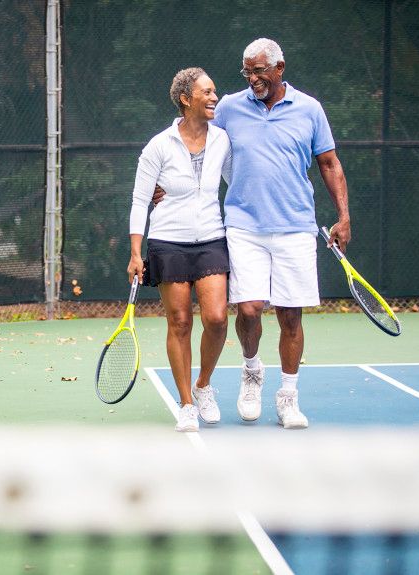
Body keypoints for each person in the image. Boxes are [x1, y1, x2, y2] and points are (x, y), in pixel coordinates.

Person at [154, 38, 351, 429]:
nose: (252, 78)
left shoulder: (310, 110)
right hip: (243, 226)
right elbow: (191, 132)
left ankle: (288, 397)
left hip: (296, 226)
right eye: (247, 70)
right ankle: (251, 371)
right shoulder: (228, 106)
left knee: (291, 317)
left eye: (259, 70)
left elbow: (329, 163)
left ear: (280, 69)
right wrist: (164, 177)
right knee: (247, 309)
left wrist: (343, 216)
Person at [128, 67, 233, 432]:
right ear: (186, 99)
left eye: (214, 91)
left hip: (211, 239)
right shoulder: (158, 145)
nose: (213, 98)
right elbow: (140, 199)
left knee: (217, 318)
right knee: (180, 322)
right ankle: (187, 402)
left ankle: (203, 384)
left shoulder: (223, 140)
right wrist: (135, 253)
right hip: (167, 242)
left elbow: (237, 184)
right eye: (206, 92)